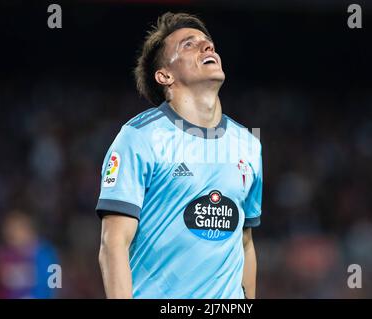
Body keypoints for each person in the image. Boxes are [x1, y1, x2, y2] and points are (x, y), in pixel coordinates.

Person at [96, 12, 262, 299]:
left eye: (208, 43)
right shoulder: (139, 138)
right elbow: (113, 244)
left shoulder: (249, 144)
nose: (207, 47)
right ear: (165, 75)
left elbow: (245, 242)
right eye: (189, 44)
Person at [0, 210, 59, 298]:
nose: (10, 235)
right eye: (7, 231)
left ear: (27, 229)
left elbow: (55, 285)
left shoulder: (47, 253)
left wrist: (23, 275)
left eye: (15, 230)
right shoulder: (4, 255)